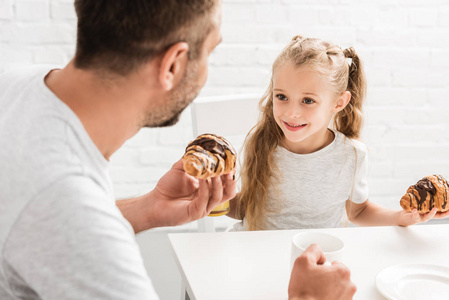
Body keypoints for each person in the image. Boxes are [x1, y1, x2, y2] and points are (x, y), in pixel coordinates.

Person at [0, 1, 356, 300]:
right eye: (210, 51)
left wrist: (146, 209)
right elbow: (69, 219)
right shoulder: (82, 225)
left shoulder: (12, 83)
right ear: (174, 64)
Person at [228, 35, 449, 231]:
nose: (291, 112)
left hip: (319, 256)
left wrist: (402, 217)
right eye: (282, 97)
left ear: (338, 102)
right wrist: (212, 200)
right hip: (258, 253)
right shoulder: (260, 143)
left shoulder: (352, 155)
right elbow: (248, 210)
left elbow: (358, 212)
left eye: (308, 100)